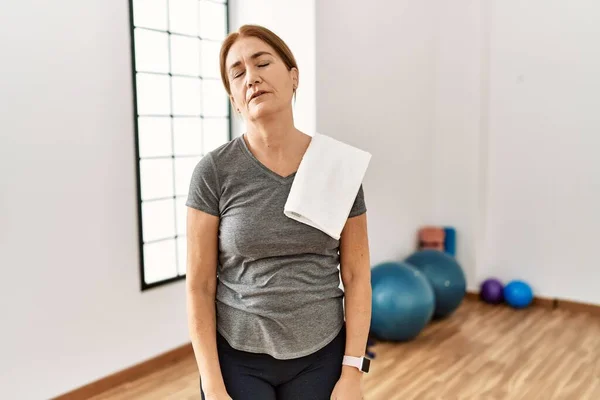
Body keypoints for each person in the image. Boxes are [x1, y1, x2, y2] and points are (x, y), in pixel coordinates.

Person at [185, 24, 372, 400]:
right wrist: (213, 385)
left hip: (322, 355)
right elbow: (199, 286)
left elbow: (355, 275)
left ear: (293, 76)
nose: (251, 77)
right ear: (235, 100)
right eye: (237, 73)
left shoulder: (337, 167)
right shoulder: (214, 171)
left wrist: (353, 371)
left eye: (262, 63)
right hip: (237, 358)